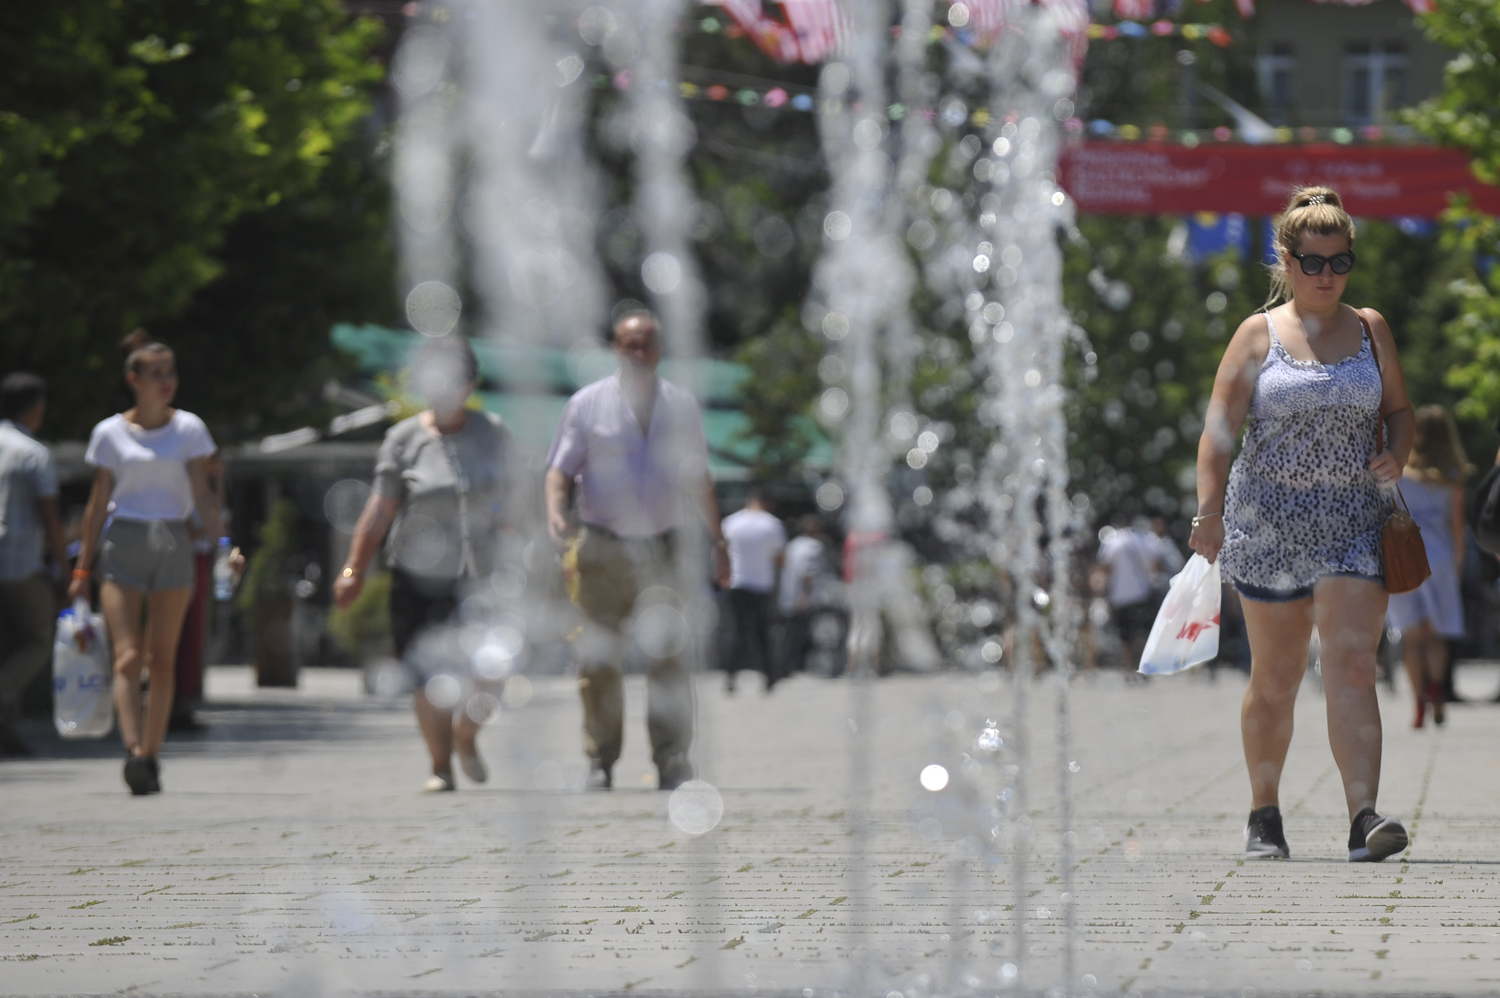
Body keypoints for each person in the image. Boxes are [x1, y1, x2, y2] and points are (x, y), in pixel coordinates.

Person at [1190, 187, 1413, 863]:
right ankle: (1265, 813)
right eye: (1312, 262)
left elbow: (1400, 410)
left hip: (1354, 521)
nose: (1326, 275)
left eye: (1339, 262)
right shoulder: (1259, 334)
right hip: (1269, 527)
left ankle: (1363, 817)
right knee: (1277, 676)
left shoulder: (1370, 327)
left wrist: (1396, 454)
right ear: (1285, 259)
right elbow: (1219, 431)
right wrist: (1208, 513)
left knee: (1351, 664)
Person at [544, 309, 729, 791]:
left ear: (660, 350)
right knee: (599, 659)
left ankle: (671, 759)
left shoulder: (681, 405)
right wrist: (555, 511)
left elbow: (698, 478)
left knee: (668, 657)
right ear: (615, 349)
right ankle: (599, 759)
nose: (639, 353)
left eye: (647, 343)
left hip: (663, 550)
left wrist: (719, 540)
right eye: (630, 344)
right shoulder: (586, 404)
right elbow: (560, 470)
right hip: (602, 549)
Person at [333, 336, 512, 793]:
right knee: (426, 674)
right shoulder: (404, 438)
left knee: (492, 669)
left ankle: (465, 736)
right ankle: (439, 766)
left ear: (470, 382)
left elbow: (515, 506)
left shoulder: (493, 432)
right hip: (419, 574)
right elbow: (379, 509)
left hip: (482, 571)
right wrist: (354, 567)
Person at [69, 332, 230, 794]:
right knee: (128, 656)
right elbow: (97, 505)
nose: (166, 382)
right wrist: (82, 570)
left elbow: (202, 494)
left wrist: (222, 544)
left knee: (162, 660)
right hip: (124, 541)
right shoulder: (110, 433)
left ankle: (150, 756)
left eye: (171, 373)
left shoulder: (190, 430)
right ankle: (131, 747)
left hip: (174, 540)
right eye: (156, 374)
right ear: (133, 380)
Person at [1386, 405, 1470, 728]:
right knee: (1436, 636)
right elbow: (1456, 525)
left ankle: (1418, 702)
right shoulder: (1452, 475)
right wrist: (1458, 561)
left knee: (1412, 636)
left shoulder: (1403, 471)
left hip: (1407, 557)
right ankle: (1436, 691)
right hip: (1441, 557)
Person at [0, 373, 69, 757]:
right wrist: (65, 569)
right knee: (38, 640)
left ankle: (7, 731)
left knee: (6, 643)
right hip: (19, 563)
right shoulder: (34, 453)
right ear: (37, 408)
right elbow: (50, 516)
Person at [720, 489, 786, 693]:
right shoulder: (772, 524)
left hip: (736, 582)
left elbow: (720, 552)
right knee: (762, 633)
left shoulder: (730, 523)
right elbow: (781, 559)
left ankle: (730, 675)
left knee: (738, 631)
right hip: (761, 585)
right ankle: (769, 676)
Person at [1096, 518, 1166, 669]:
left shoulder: (1113, 541)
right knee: (1143, 632)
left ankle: (1129, 666)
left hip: (1120, 595)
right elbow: (1157, 566)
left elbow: (1105, 568)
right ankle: (1142, 662)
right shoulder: (1150, 540)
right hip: (1144, 593)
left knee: (1125, 634)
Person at [778, 514, 829, 677]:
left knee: (789, 635)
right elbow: (807, 574)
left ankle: (786, 668)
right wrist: (806, 595)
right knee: (804, 635)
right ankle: (801, 668)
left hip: (787, 596)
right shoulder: (814, 547)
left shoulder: (792, 545)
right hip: (802, 598)